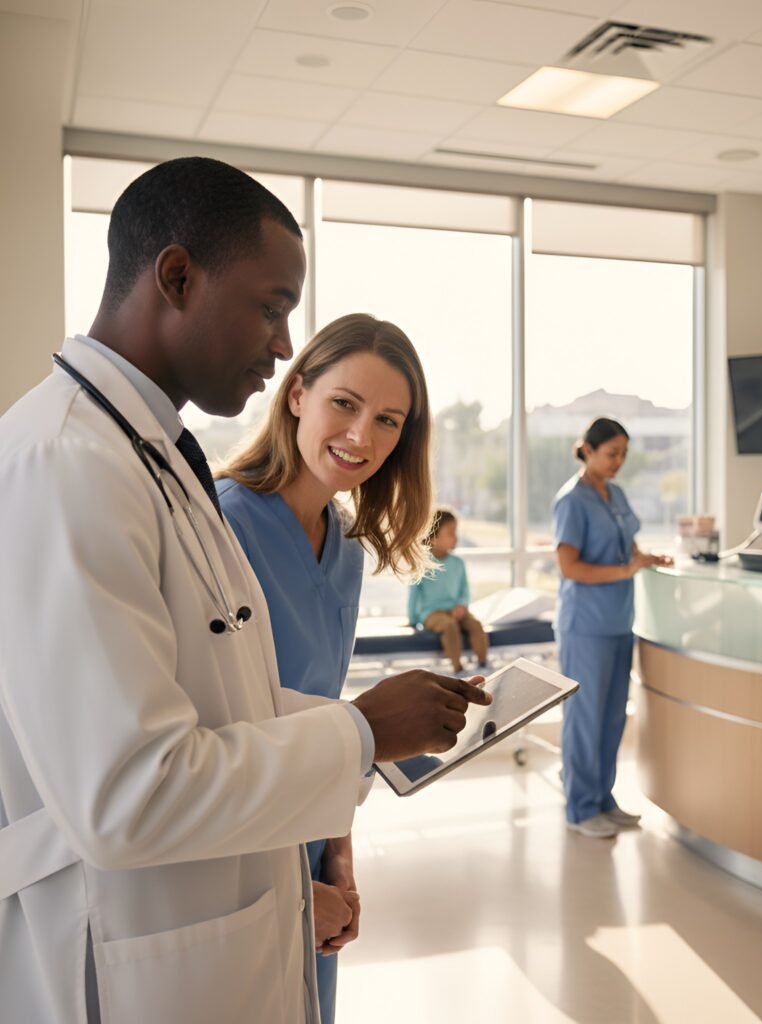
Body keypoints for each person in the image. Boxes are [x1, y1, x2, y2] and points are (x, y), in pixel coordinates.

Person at [0, 157, 489, 1024]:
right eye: (272, 308)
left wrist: (362, 741)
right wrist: (364, 730)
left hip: (221, 919)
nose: (278, 340)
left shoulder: (152, 458)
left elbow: (224, 708)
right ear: (178, 277)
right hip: (125, 949)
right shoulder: (65, 463)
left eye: (389, 421)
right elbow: (128, 794)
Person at [216, 312, 440, 1024]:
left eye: (388, 421)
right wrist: (290, 894)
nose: (361, 437)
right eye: (345, 404)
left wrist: (336, 857)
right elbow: (215, 741)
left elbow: (327, 717)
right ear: (297, 395)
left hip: (310, 847)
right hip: (234, 862)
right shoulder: (221, 529)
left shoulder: (345, 546)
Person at [552, 417, 672, 840]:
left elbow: (629, 546)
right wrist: (626, 570)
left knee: (611, 718)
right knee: (585, 718)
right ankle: (580, 808)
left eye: (624, 453)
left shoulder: (616, 494)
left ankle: (603, 799)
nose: (619, 461)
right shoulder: (572, 501)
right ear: (587, 449)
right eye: (611, 453)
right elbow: (569, 567)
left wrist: (647, 559)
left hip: (620, 621)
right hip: (585, 626)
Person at [407, 508, 489, 674]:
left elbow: (464, 590)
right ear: (432, 538)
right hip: (431, 613)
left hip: (456, 609)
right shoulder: (422, 563)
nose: (456, 537)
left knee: (475, 625)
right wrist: (413, 619)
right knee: (450, 626)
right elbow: (414, 594)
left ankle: (483, 663)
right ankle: (458, 668)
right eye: (450, 533)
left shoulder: (458, 563)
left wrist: (462, 606)